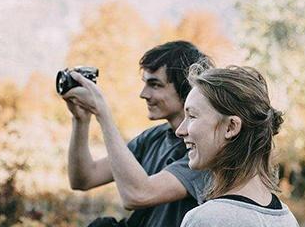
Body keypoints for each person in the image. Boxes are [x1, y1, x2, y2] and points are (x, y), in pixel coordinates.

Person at [62, 41, 213, 227]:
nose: (143, 94)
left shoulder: (206, 148)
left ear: (185, 88)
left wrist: (103, 114)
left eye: (155, 85)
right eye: (145, 84)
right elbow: (83, 178)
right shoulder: (153, 138)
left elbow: (138, 195)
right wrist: (81, 120)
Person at [175, 65, 299, 227]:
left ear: (231, 127)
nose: (180, 131)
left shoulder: (207, 220)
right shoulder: (287, 219)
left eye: (192, 116)